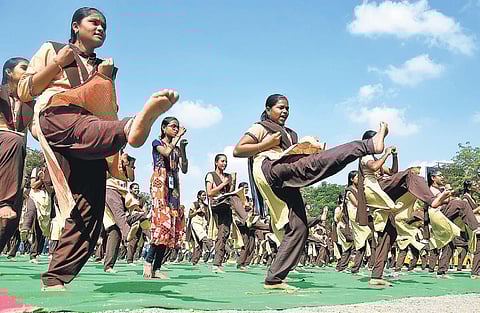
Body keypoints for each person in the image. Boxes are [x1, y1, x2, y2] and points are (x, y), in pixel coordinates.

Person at [17, 7, 179, 290]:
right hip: (58, 115)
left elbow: (106, 111)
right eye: (94, 22)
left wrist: (115, 152)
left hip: (92, 130)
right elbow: (25, 90)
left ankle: (55, 278)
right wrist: (57, 63)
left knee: (90, 211)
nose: (101, 28)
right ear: (75, 26)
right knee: (86, 126)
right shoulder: (52, 48)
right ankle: (131, 128)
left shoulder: (105, 67)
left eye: (105, 25)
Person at [233, 93, 389, 290]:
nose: (285, 111)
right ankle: (367, 145)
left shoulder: (290, 133)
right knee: (314, 163)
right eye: (280, 107)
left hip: (285, 175)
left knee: (299, 228)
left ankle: (274, 279)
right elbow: (238, 150)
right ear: (267, 109)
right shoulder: (261, 127)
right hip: (270, 167)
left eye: (287, 108)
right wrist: (268, 143)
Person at [144, 116, 188, 279]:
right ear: (164, 128)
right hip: (160, 184)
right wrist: (177, 139)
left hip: (173, 187)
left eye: (177, 127)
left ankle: (157, 267)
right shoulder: (157, 143)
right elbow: (167, 152)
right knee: (162, 224)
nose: (176, 129)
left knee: (169, 228)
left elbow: (184, 168)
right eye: (173, 126)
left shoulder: (176, 147)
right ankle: (148, 261)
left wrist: (183, 148)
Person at [0, 57, 33, 254]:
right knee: (14, 139)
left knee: (11, 221)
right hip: (4, 145)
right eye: (24, 68)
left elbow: (37, 131)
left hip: (14, 161)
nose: (28, 72)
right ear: (8, 72)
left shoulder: (29, 104)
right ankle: (3, 201)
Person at [205, 154, 244, 273]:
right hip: (216, 204)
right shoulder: (211, 175)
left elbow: (230, 192)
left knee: (224, 233)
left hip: (226, 204)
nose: (224, 164)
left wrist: (232, 184)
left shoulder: (228, 176)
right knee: (222, 232)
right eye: (222, 161)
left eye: (226, 162)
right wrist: (223, 185)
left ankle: (217, 263)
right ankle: (245, 217)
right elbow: (209, 192)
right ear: (216, 162)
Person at [187, 190, 212, 266]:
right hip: (195, 221)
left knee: (199, 243)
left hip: (203, 222)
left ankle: (195, 261)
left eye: (205, 195)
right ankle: (210, 245)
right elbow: (189, 215)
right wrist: (197, 211)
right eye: (202, 195)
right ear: (198, 196)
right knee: (202, 235)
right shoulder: (194, 204)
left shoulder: (206, 206)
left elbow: (208, 217)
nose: (204, 197)